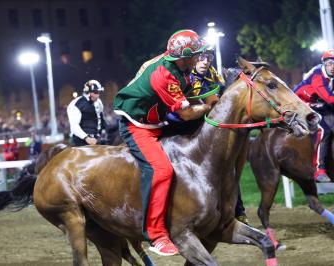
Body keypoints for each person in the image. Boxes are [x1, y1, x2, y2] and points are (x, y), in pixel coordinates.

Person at [113, 29, 212, 256]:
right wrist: (209, 106)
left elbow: (186, 96)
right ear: (183, 57)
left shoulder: (177, 64)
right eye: (196, 54)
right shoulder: (164, 75)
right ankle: (155, 235)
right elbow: (186, 113)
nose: (200, 58)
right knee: (162, 171)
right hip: (136, 127)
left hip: (157, 122)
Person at [189, 48, 250, 225]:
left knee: (229, 168)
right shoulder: (187, 76)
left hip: (209, 129)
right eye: (201, 57)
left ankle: (239, 212)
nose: (205, 61)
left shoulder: (213, 75)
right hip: (188, 125)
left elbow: (223, 98)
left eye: (209, 57)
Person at [293, 49, 334, 183]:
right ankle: (319, 170)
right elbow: (329, 98)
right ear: (324, 64)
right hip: (300, 104)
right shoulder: (318, 76)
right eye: (329, 63)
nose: (332, 67)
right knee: (324, 130)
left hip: (317, 103)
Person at [67, 80, 106, 146]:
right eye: (95, 92)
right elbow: (74, 126)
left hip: (97, 140)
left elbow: (101, 120)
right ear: (88, 92)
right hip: (80, 141)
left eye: (99, 92)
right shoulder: (76, 104)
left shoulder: (99, 103)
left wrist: (104, 131)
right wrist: (86, 138)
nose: (98, 95)